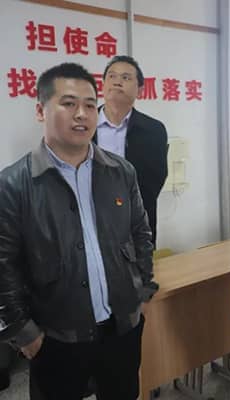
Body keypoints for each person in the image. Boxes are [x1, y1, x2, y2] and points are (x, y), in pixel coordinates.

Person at [0, 62, 157, 400]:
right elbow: (3, 266)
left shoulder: (121, 171)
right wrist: (25, 333)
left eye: (89, 104)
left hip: (121, 330)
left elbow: (141, 235)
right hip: (55, 338)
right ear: (41, 111)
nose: (82, 114)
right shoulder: (13, 184)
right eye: (68, 103)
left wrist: (142, 292)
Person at [96, 55, 168, 248]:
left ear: (140, 90)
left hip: (136, 227)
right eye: (112, 76)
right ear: (103, 84)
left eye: (126, 77)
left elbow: (154, 181)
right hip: (89, 224)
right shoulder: (82, 125)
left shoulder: (153, 130)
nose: (117, 81)